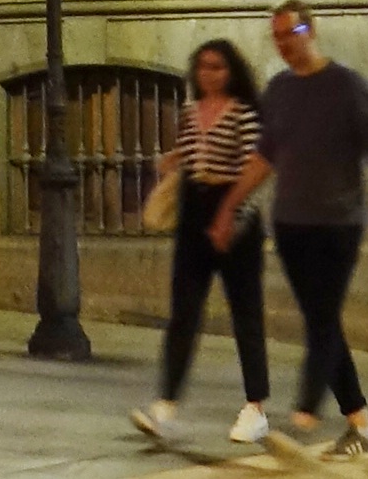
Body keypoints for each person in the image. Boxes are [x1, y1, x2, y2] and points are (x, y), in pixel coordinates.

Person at [215, 0, 368, 463]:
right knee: (322, 321)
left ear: (311, 29)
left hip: (339, 223)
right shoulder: (279, 90)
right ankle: (360, 425)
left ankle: (307, 402)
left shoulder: (348, 86)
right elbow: (265, 157)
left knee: (323, 315)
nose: (285, 42)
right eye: (277, 35)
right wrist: (230, 203)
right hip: (291, 223)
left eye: (292, 31)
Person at [131, 38, 272, 450]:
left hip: (234, 211)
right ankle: (166, 406)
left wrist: (233, 217)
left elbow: (253, 168)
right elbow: (198, 160)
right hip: (195, 213)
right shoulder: (190, 115)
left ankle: (255, 408)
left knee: (246, 313)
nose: (209, 74)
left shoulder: (245, 114)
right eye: (203, 67)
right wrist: (177, 160)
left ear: (232, 71)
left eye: (218, 67)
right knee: (183, 313)